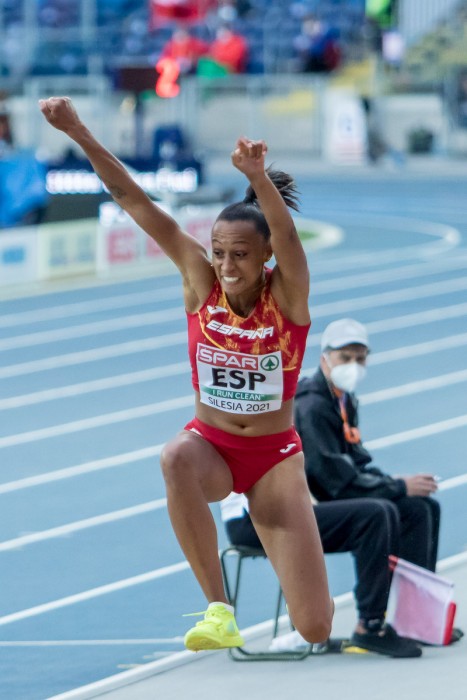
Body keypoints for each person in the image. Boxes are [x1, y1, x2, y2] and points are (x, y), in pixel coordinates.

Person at [39, 97, 333, 653]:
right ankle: (219, 610)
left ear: (266, 257)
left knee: (315, 625)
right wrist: (77, 130)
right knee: (174, 456)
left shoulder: (288, 296)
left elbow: (290, 239)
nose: (226, 265)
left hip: (274, 458)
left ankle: (296, 586)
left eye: (240, 255)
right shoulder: (201, 283)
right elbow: (131, 199)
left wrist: (257, 178)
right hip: (212, 448)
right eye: (219, 252)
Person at [294, 318, 441, 574]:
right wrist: (397, 487)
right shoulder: (312, 406)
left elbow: (357, 462)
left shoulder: (344, 399)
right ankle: (377, 600)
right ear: (324, 359)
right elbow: (332, 480)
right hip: (314, 501)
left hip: (336, 488)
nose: (353, 365)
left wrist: (390, 482)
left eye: (360, 359)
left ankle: (413, 595)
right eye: (345, 357)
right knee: (383, 512)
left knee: (423, 506)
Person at [220, 491, 422, 657]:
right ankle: (370, 626)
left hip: (280, 509)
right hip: (253, 519)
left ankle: (384, 621)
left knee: (386, 509)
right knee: (374, 515)